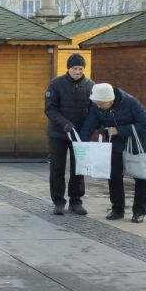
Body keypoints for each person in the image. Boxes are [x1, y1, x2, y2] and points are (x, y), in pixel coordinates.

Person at [80, 83, 146, 223]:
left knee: (141, 176)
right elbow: (89, 125)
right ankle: (117, 210)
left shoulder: (131, 102)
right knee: (114, 175)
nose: (98, 106)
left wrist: (119, 130)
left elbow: (144, 124)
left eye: (101, 104)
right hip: (115, 143)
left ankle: (139, 211)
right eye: (96, 103)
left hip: (136, 142)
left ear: (110, 100)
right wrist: (81, 145)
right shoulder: (96, 105)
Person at [45, 53, 94, 216]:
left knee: (79, 168)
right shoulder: (56, 84)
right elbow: (50, 109)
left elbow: (94, 112)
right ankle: (58, 202)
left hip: (80, 136)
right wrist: (64, 123)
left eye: (80, 69)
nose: (78, 72)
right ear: (68, 68)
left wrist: (89, 129)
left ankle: (76, 201)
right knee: (57, 168)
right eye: (74, 69)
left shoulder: (90, 86)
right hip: (58, 134)